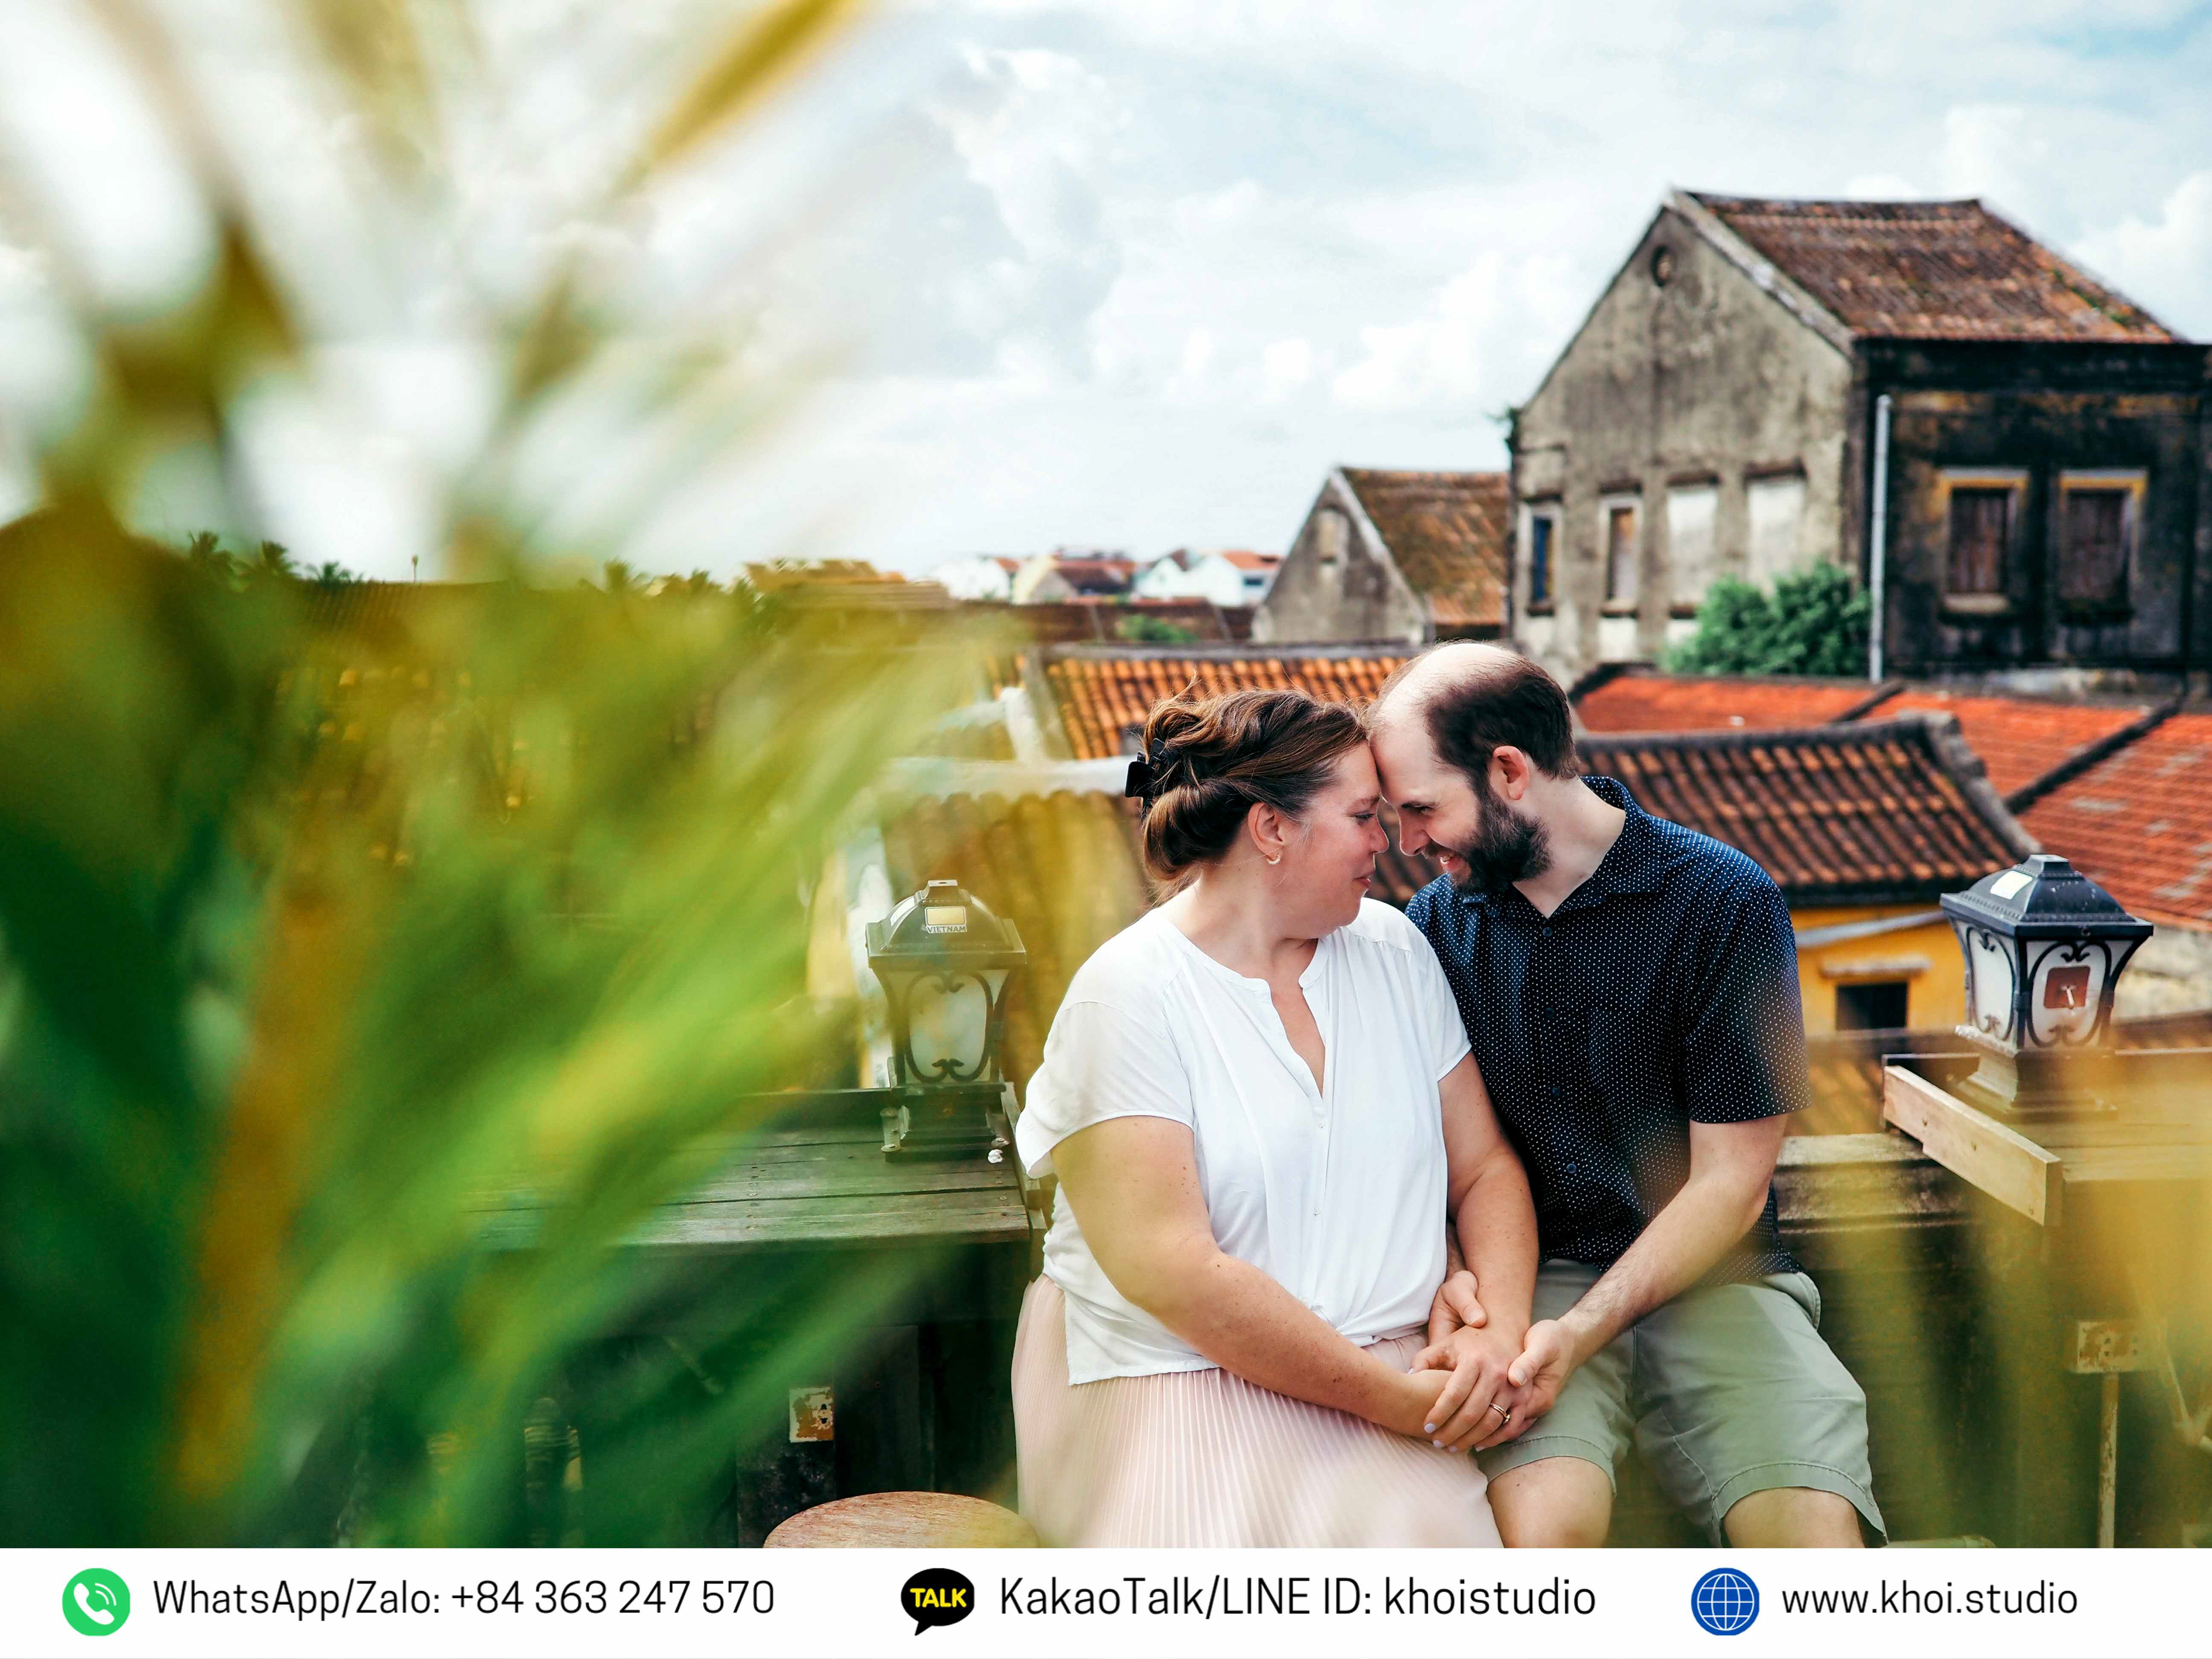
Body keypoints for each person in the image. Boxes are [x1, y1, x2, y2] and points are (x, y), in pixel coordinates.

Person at [1369, 643, 1883, 1549]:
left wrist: (1584, 1334)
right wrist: (1471, 1280)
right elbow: (1436, 1153)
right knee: (1546, 1544)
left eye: (1423, 809)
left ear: (1509, 772)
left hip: (1719, 1274)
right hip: (1531, 1279)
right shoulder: (1433, 928)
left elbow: (1731, 1184)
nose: (1408, 843)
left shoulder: (1724, 901)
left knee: (1814, 1547)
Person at [1010, 688, 1539, 1547]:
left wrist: (1498, 1335)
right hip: (1178, 1379)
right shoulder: (1127, 996)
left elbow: (1485, 1170)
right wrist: (1395, 1403)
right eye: (1365, 816)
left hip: (1405, 1372)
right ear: (1271, 830)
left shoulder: (1396, 950)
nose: (1388, 842)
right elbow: (1169, 1267)